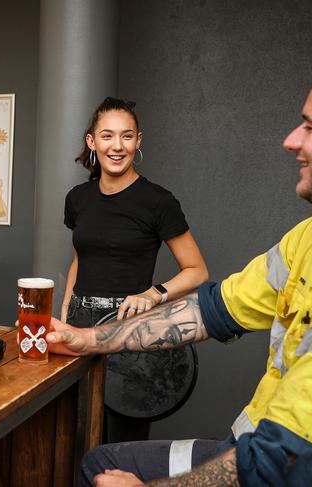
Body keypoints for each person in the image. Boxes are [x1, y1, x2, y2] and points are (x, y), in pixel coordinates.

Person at [47, 50, 312, 486]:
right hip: (249, 441)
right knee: (99, 460)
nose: (291, 140)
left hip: (302, 471)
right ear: (92, 141)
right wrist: (89, 336)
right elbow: (209, 310)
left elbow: (284, 465)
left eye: (311, 127)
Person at [61, 97, 208, 442]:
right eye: (107, 136)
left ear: (138, 141)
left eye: (126, 137)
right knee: (73, 437)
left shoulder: (158, 202)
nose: (117, 146)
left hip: (130, 331)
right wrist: (67, 308)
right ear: (91, 141)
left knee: (120, 446)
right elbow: (81, 258)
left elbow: (197, 270)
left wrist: (153, 294)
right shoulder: (77, 199)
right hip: (78, 326)